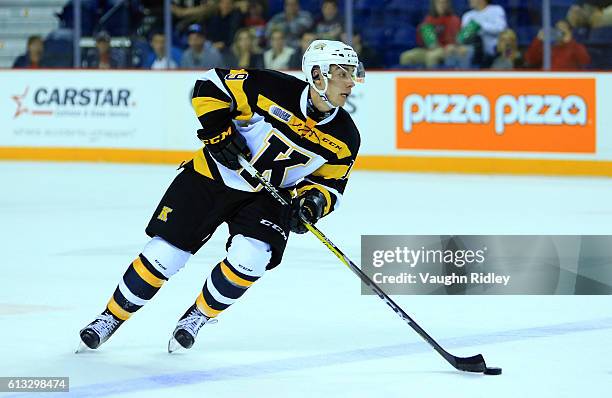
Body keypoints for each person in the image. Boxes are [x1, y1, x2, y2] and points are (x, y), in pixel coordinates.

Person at [77, 39, 364, 353]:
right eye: (343, 73)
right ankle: (111, 317)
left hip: (268, 196)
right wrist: (218, 131)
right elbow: (210, 85)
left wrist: (311, 205)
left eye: (352, 73)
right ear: (318, 75)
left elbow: (331, 186)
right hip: (212, 177)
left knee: (252, 259)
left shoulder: (346, 137)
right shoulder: (269, 86)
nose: (351, 81)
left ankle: (198, 316)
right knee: (164, 255)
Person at [445, 0, 507, 69]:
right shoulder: (467, 15)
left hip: (491, 49)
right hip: (472, 46)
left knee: (466, 51)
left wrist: (480, 26)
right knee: (451, 50)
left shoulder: (496, 10)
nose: (469, 1)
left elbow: (502, 28)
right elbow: (464, 36)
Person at [399, 0, 461, 69]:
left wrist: (448, 46)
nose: (442, 5)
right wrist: (421, 34)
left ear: (448, 5)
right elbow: (421, 41)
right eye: (439, 3)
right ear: (434, 5)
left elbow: (454, 42)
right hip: (428, 49)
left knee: (432, 56)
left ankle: (431, 79)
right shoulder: (429, 19)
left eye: (444, 3)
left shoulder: (454, 19)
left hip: (444, 49)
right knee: (406, 56)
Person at [524, 19, 591, 70]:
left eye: (563, 30)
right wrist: (538, 40)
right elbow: (530, 60)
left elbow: (585, 61)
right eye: (557, 29)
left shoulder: (575, 47)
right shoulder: (547, 47)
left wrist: (570, 42)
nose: (560, 32)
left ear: (569, 32)